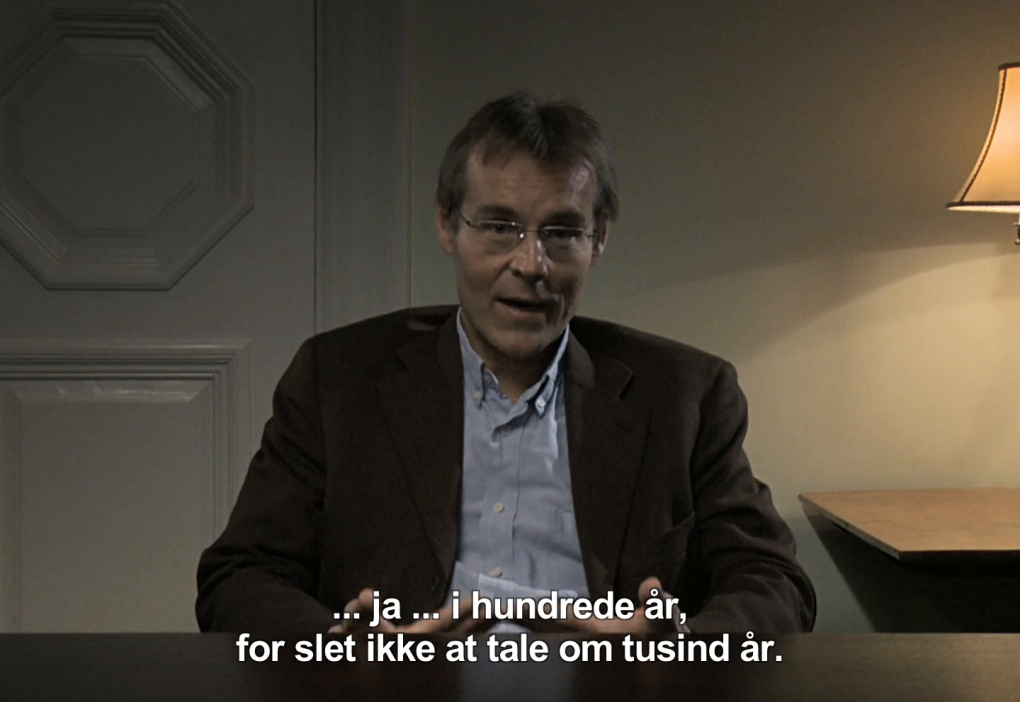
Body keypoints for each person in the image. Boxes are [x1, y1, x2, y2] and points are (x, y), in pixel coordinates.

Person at [196, 92, 815, 636]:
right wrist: (349, 647)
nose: (530, 264)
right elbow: (239, 578)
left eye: (562, 233)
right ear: (447, 225)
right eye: (499, 226)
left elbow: (777, 584)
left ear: (599, 239)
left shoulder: (686, 394)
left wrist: (674, 646)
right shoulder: (336, 379)